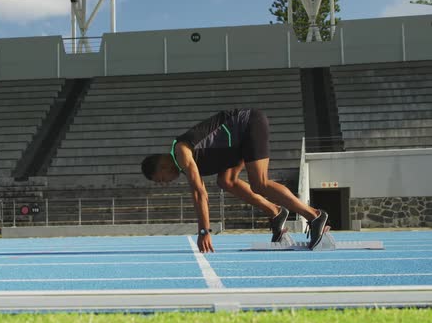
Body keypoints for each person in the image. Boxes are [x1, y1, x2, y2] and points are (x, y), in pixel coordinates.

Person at [141, 108, 328, 253]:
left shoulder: (182, 152)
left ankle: (314, 215)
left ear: (163, 167)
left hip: (248, 125)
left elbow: (199, 192)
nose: (165, 183)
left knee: (259, 183)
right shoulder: (181, 157)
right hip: (234, 145)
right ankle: (275, 212)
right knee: (226, 181)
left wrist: (204, 231)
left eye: (161, 180)